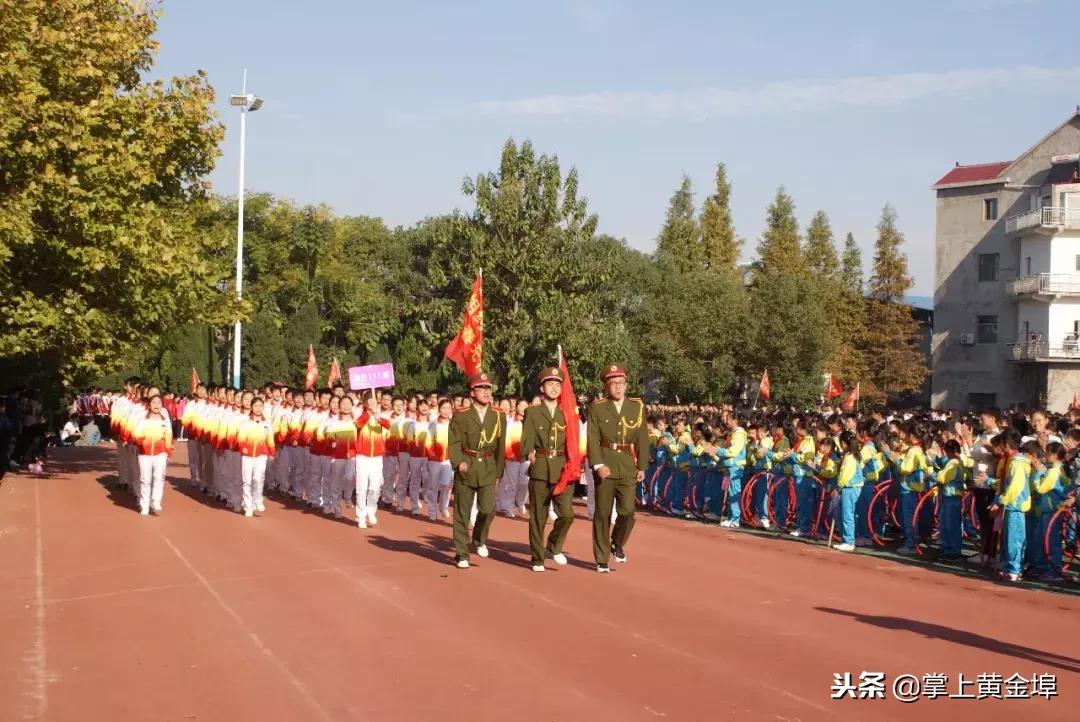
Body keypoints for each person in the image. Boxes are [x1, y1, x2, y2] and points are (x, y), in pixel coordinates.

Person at [586, 363, 649, 573]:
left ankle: (616, 542)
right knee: (602, 513)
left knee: (628, 512)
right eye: (613, 384)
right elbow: (592, 438)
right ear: (606, 386)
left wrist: (642, 465)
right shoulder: (598, 407)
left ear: (627, 384)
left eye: (621, 383)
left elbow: (641, 437)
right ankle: (601, 558)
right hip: (605, 462)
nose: (618, 387)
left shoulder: (637, 406)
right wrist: (597, 464)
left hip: (627, 465)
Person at [519, 366, 574, 572]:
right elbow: (526, 440)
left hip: (562, 469)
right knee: (538, 517)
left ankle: (553, 545)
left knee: (567, 514)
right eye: (550, 384)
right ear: (542, 387)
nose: (554, 388)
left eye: (557, 384)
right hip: (541, 467)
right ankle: (537, 557)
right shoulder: (532, 412)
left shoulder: (567, 412)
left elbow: (574, 440)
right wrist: (529, 452)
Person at [448, 373, 506, 569]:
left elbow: (500, 446)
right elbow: (454, 442)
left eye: (488, 388)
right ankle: (462, 554)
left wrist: (499, 472)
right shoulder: (461, 415)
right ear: (472, 393)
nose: (486, 392)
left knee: (488, 509)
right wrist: (458, 462)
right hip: (468, 464)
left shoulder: (498, 415)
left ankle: (479, 538)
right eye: (481, 389)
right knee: (462, 513)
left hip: (488, 466)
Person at [354, 392, 391, 528]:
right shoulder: (359, 413)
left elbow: (388, 425)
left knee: (375, 487)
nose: (371, 404)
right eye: (369, 402)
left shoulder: (382, 415)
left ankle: (371, 509)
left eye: (374, 401)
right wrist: (369, 414)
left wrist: (378, 418)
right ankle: (361, 515)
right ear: (364, 403)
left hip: (377, 457)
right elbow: (358, 425)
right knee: (361, 487)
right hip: (362, 456)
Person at [132, 394, 173, 515]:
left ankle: (155, 500)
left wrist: (168, 451)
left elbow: (169, 437)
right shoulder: (143, 420)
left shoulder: (165, 421)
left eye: (159, 403)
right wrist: (141, 440)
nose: (156, 405)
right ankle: (144, 504)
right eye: (154, 403)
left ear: (162, 405)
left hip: (160, 453)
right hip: (144, 453)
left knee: (159, 476)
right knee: (145, 479)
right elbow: (136, 435)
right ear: (149, 405)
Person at [237, 397, 276, 517]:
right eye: (256, 406)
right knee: (247, 481)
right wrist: (242, 447)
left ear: (263, 408)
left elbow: (270, 440)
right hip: (247, 455)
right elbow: (240, 438)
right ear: (252, 408)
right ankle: (249, 506)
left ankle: (258, 500)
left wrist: (272, 453)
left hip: (261, 455)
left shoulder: (267, 424)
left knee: (258, 479)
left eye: (260, 406)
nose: (258, 409)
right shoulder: (246, 423)